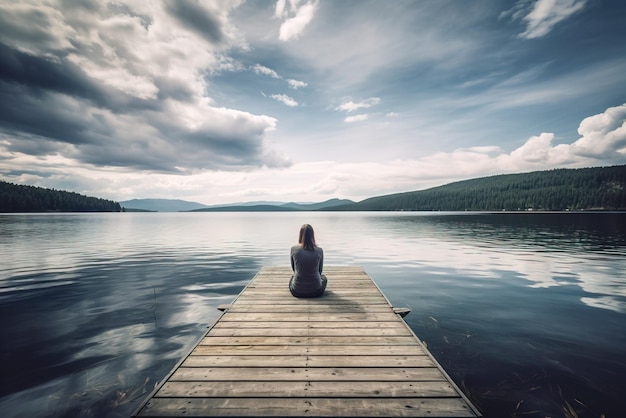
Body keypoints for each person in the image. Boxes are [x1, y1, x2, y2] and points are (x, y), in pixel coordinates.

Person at [289, 224, 327, 298]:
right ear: (312, 235)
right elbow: (320, 271)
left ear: (300, 235)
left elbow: (294, 269)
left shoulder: (293, 249)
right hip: (316, 291)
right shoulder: (319, 250)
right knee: (324, 278)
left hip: (297, 291)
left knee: (292, 278)